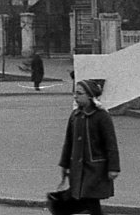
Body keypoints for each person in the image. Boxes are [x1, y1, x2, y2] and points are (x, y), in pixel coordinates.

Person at [54, 79, 120, 215]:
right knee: (85, 198)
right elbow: (68, 142)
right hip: (77, 168)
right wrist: (64, 164)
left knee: (89, 197)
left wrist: (113, 168)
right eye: (75, 93)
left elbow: (111, 143)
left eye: (79, 93)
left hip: (95, 168)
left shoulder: (102, 116)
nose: (75, 96)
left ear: (89, 96)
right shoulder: (75, 115)